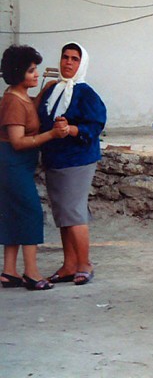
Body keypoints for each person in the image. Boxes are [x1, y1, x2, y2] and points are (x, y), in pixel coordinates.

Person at [0, 45, 69, 290]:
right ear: (19, 73)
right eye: (31, 71)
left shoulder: (19, 97)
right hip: (12, 164)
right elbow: (18, 142)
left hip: (17, 166)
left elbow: (31, 108)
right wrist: (52, 134)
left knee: (13, 215)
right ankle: (31, 272)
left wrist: (44, 93)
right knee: (30, 214)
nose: (37, 75)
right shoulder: (13, 102)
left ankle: (9, 271)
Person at [37, 42, 106, 286]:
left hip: (77, 159)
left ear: (82, 63)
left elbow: (96, 124)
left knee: (74, 213)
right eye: (65, 57)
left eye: (74, 59)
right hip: (55, 159)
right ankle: (69, 264)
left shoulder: (85, 92)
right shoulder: (52, 90)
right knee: (63, 214)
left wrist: (72, 129)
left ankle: (85, 263)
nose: (68, 62)